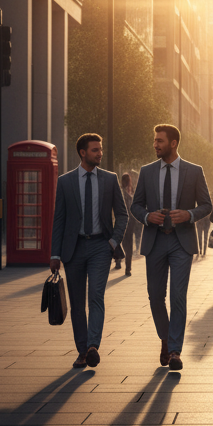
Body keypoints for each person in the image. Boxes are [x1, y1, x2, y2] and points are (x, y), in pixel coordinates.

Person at [131, 124, 212, 372]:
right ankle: (165, 338)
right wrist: (147, 217)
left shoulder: (194, 171)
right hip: (155, 241)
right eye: (155, 141)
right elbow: (136, 205)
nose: (155, 144)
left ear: (173, 143)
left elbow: (206, 205)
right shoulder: (146, 172)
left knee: (178, 296)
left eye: (159, 141)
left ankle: (175, 350)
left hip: (181, 242)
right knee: (155, 296)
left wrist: (188, 214)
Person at [49, 134, 128, 367]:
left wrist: (113, 242)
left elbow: (122, 214)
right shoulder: (65, 182)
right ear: (83, 153)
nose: (100, 153)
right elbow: (59, 220)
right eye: (95, 150)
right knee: (76, 302)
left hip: (99, 247)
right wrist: (55, 254)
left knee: (96, 296)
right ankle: (82, 351)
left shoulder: (109, 179)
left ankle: (93, 346)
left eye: (100, 149)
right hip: (72, 249)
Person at [120, 173, 140, 271]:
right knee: (128, 244)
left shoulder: (120, 192)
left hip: (122, 223)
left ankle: (119, 261)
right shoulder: (130, 193)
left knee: (121, 242)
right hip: (129, 222)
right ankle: (128, 267)